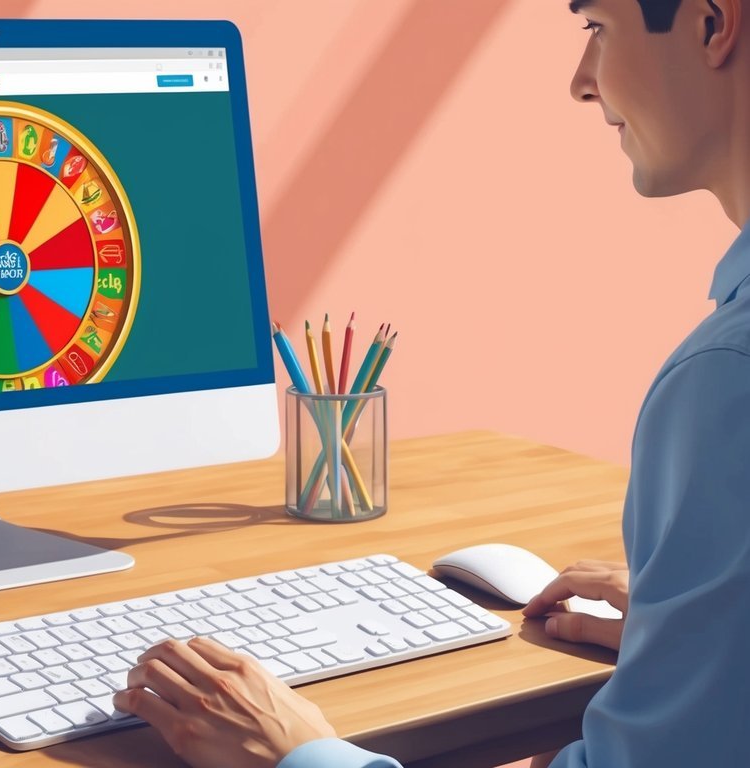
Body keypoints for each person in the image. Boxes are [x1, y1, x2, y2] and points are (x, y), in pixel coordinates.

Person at [113, 0, 750, 764]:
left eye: (596, 28)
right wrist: (698, 632)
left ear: (713, 24)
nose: (581, 83)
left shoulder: (726, 382)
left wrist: (296, 754)